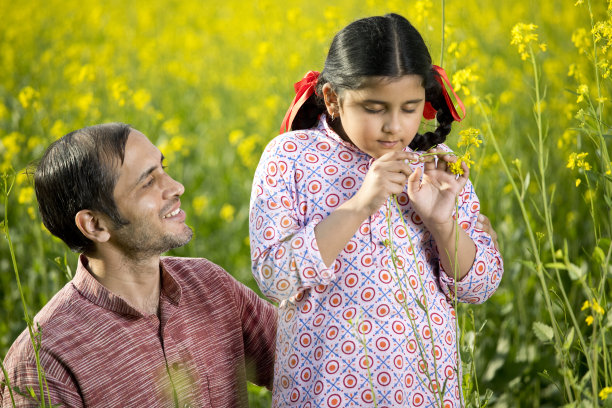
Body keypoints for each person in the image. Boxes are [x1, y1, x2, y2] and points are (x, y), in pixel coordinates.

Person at [249, 13, 503, 408]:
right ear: (332, 98)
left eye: (409, 107)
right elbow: (274, 276)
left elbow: (479, 286)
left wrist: (442, 223)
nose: (394, 127)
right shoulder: (289, 158)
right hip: (322, 392)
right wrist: (360, 204)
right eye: (374, 108)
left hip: (424, 390)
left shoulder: (436, 165)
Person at [0, 123, 277, 407]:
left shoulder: (209, 283)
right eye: (147, 182)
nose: (176, 187)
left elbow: (312, 354)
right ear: (95, 224)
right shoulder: (44, 363)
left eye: (163, 168)